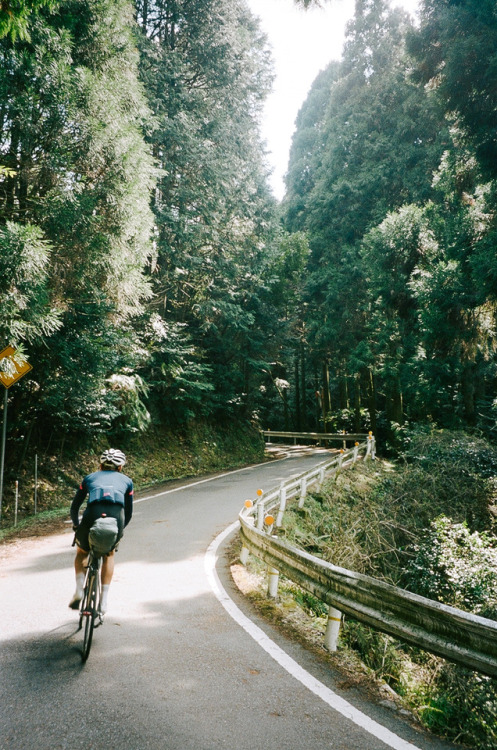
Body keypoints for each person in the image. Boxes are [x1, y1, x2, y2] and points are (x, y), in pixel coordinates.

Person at [69, 448, 134, 615]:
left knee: (82, 552)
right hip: (116, 517)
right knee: (109, 554)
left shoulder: (89, 478)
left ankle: (78, 589)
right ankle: (104, 601)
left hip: (92, 514)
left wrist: (77, 526)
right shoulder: (127, 481)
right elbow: (128, 513)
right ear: (120, 467)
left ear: (100, 465)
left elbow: (75, 507)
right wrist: (119, 532)